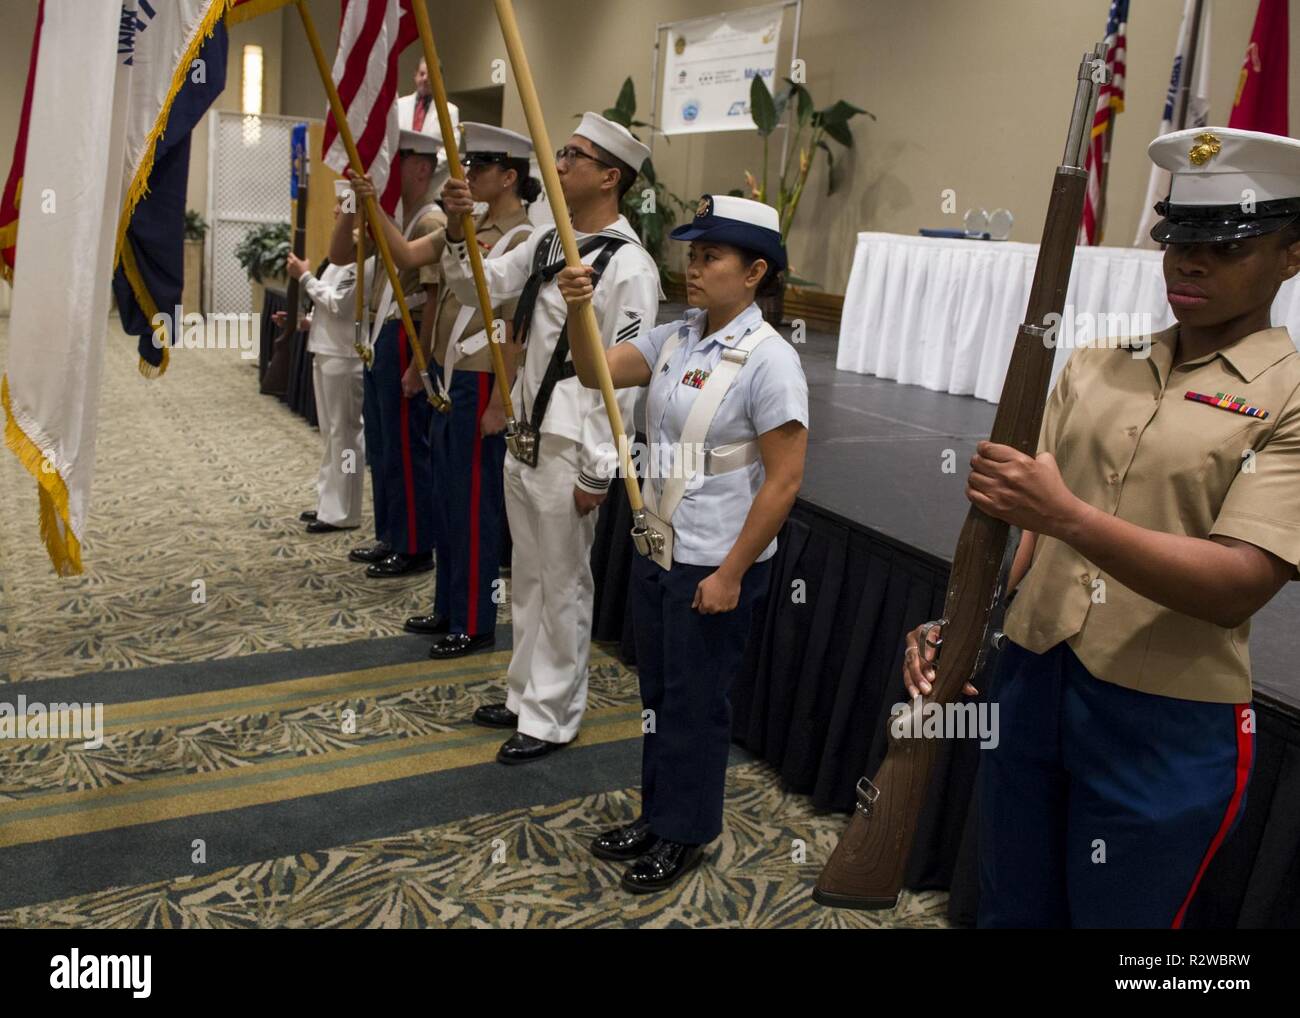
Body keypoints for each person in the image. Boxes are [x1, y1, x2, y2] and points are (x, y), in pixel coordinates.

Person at [903, 127, 1300, 928]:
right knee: (1011, 905)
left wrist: (1068, 516)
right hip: (1033, 678)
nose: (1191, 262)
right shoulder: (1097, 362)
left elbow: (1236, 584)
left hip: (1165, 715)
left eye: (1229, 247)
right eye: (1180, 239)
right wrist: (965, 616)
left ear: (1293, 254)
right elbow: (1027, 530)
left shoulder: (1289, 395)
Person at [557, 194, 808, 892]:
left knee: (698, 704)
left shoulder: (770, 359)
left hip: (714, 560)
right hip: (659, 548)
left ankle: (686, 833)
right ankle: (657, 813)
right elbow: (592, 372)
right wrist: (580, 309)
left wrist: (731, 573)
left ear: (755, 271)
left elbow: (784, 481)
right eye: (691, 256)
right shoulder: (677, 336)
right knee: (660, 694)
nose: (692, 269)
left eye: (710, 257)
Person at [436, 112, 662, 763]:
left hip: (572, 448)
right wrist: (458, 227)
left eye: (574, 155)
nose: (558, 165)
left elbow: (627, 381)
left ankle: (554, 714)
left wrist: (599, 470)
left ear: (609, 177)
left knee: (564, 583)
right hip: (526, 434)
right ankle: (525, 694)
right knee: (530, 577)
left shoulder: (630, 267)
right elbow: (473, 287)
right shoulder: (542, 242)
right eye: (561, 152)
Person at [357, 123, 540, 657]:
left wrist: (502, 403)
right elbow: (410, 257)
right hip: (448, 373)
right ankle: (447, 605)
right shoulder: (468, 225)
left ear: (509, 177)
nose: (469, 177)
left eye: (480, 168)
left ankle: (475, 619)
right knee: (446, 500)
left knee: (475, 509)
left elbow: (514, 326)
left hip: (482, 380)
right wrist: (375, 206)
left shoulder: (523, 239)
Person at [329, 128, 447, 577]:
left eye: (392, 164)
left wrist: (422, 362)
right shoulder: (393, 218)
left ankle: (415, 545)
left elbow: (434, 296)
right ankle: (392, 533)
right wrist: (352, 204)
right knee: (383, 447)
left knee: (406, 449)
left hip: (407, 337)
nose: (384, 174)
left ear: (419, 167)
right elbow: (338, 254)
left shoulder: (432, 222)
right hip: (382, 335)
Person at [283, 179, 372, 534]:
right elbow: (329, 306)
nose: (336, 211)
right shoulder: (341, 256)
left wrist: (305, 278)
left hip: (345, 356)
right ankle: (328, 503)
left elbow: (342, 305)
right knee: (330, 434)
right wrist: (307, 321)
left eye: (343, 205)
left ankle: (345, 510)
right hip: (326, 349)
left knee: (345, 435)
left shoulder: (360, 256)